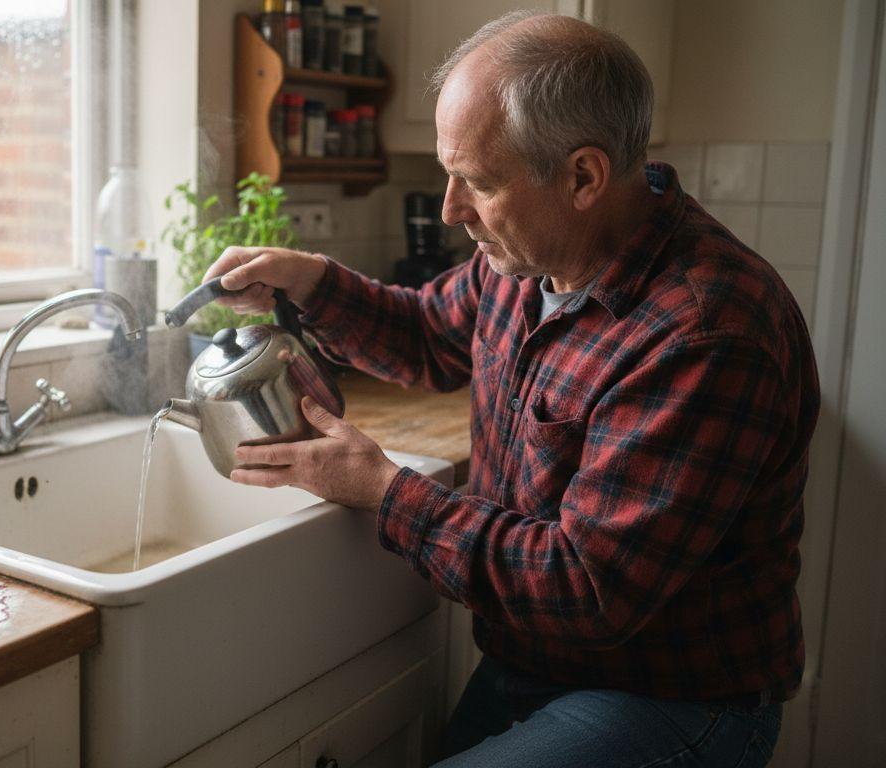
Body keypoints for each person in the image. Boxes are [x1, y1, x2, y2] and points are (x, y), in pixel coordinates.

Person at [204, 11, 818, 768]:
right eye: (448, 172)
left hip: (672, 696)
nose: (450, 209)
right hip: (538, 663)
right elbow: (430, 334)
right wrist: (314, 281)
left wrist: (385, 490)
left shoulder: (705, 331)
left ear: (584, 176)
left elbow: (589, 589)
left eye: (479, 182)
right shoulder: (531, 257)